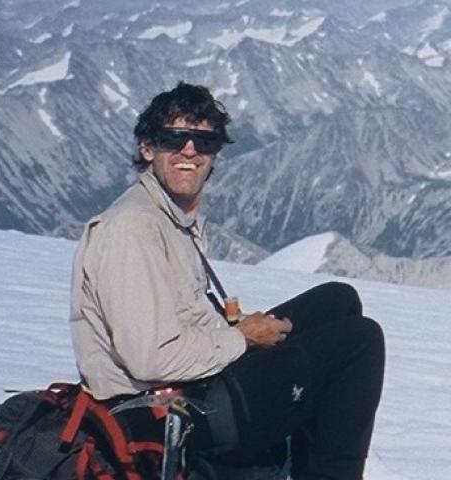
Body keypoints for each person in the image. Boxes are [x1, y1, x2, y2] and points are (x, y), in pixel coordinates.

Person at [69, 81, 385, 480]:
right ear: (148, 148)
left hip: (188, 387)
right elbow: (149, 360)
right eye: (174, 138)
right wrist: (242, 338)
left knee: (337, 300)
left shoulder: (167, 217)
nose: (189, 151)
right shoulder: (131, 229)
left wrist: (235, 330)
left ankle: (307, 459)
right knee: (360, 341)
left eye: (204, 142)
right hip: (163, 416)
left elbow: (180, 320)